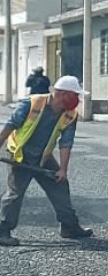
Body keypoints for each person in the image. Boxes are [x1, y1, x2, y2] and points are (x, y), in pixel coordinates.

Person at [0, 75, 93, 246]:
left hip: (43, 157)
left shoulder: (70, 114)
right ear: (63, 94)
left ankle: (69, 226)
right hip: (20, 155)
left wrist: (63, 170)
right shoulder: (31, 103)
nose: (77, 100)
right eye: (75, 95)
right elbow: (10, 125)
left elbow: (66, 143)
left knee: (60, 185)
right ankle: (3, 230)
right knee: (15, 193)